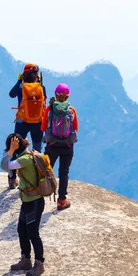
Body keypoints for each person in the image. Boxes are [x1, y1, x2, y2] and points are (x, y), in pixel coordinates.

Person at [0, 133, 45, 276]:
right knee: (22, 230)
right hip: (27, 200)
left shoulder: (25, 159)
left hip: (34, 201)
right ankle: (26, 260)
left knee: (32, 233)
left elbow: (5, 165)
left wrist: (11, 151)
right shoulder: (27, 154)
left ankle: (39, 264)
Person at [7, 63, 47, 189]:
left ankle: (12, 179)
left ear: (23, 74)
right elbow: (44, 100)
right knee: (37, 150)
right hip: (37, 123)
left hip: (22, 122)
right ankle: (38, 180)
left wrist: (19, 80)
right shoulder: (41, 87)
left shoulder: (20, 86)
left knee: (14, 148)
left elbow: (11, 94)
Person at [42, 83, 78, 211]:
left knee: (45, 169)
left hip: (52, 144)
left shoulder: (50, 109)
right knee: (64, 172)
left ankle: (38, 195)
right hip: (67, 145)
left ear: (56, 95)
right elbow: (76, 127)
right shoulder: (71, 110)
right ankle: (62, 200)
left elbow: (43, 127)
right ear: (67, 97)